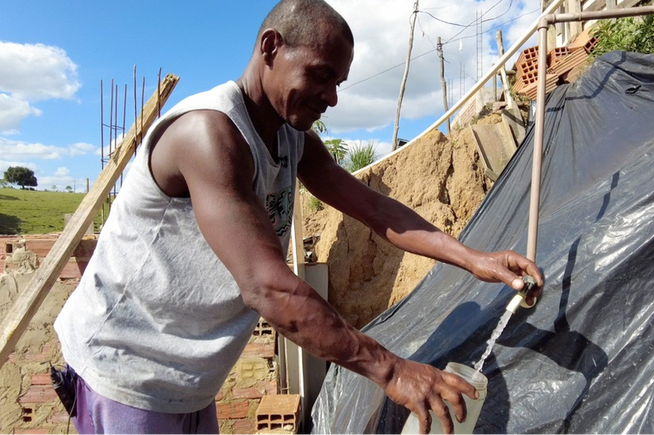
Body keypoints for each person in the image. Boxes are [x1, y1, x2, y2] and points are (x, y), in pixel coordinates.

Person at [54, 0, 543, 434]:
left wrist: (475, 258)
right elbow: (267, 288)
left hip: (187, 379)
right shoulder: (208, 135)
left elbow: (374, 208)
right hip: (125, 370)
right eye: (320, 74)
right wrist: (392, 371)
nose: (331, 97)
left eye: (339, 83)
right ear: (270, 47)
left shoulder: (292, 139)